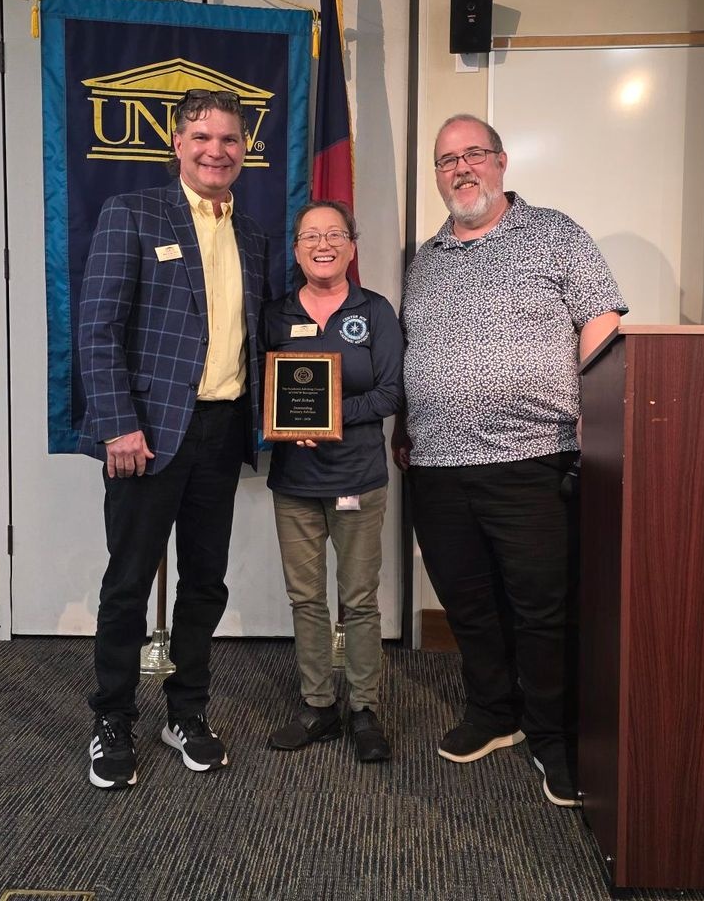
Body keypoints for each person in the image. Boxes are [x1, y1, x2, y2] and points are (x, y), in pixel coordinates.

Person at [394, 114, 627, 807]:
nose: (461, 169)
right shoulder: (425, 257)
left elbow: (603, 321)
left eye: (473, 155)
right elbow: (415, 351)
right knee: (467, 603)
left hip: (534, 458)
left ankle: (554, 735)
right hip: (437, 466)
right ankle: (495, 713)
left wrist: (598, 405)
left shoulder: (555, 233)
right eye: (446, 161)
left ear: (500, 162)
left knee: (541, 608)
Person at [76, 89, 271, 790]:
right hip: (147, 434)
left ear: (243, 149)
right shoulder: (132, 213)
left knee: (205, 582)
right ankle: (111, 719)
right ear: (177, 144)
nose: (216, 150)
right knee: (128, 583)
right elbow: (97, 330)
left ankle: (185, 712)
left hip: (221, 432)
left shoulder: (252, 235)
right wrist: (117, 422)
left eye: (229, 139)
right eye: (203, 137)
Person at [261, 201, 402, 764]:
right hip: (294, 482)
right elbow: (259, 390)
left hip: (358, 481)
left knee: (360, 599)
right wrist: (284, 423)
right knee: (306, 598)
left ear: (351, 245)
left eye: (335, 234)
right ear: (296, 249)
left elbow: (392, 392)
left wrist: (331, 415)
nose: (323, 244)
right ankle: (318, 704)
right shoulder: (274, 314)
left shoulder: (376, 311)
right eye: (310, 236)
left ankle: (364, 707)